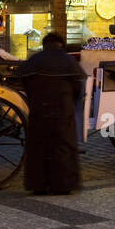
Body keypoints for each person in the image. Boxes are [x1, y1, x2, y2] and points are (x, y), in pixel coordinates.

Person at [14, 32, 85, 194]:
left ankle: (39, 185)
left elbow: (23, 82)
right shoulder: (70, 61)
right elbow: (77, 89)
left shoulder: (34, 60)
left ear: (44, 44)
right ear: (61, 44)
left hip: (39, 111)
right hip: (63, 112)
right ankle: (62, 185)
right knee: (63, 146)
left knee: (38, 147)